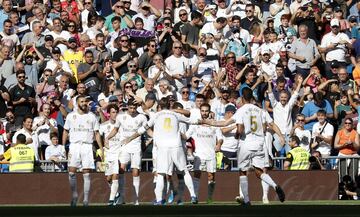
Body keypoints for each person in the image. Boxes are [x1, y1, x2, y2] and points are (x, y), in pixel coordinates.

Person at [130, 97, 199, 204]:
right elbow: (191, 120)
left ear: (160, 107)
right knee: (184, 171)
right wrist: (206, 121)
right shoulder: (175, 114)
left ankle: (159, 200)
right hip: (176, 146)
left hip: (162, 148)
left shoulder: (156, 115)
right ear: (170, 106)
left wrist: (129, 138)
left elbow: (143, 128)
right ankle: (193, 196)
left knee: (161, 174)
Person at [62, 95, 104, 207]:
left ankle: (85, 200)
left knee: (86, 173)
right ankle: (75, 196)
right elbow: (65, 131)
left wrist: (101, 148)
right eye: (82, 101)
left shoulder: (92, 116)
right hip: (74, 145)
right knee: (71, 172)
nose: (84, 103)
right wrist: (63, 146)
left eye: (85, 101)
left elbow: (97, 133)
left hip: (87, 146)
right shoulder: (71, 116)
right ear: (77, 103)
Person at [105, 99, 148, 205]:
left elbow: (147, 129)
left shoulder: (142, 117)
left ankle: (136, 199)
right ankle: (121, 197)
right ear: (127, 107)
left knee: (135, 171)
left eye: (134, 108)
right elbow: (115, 130)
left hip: (136, 147)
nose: (132, 110)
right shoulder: (121, 117)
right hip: (124, 146)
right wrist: (107, 137)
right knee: (120, 169)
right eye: (130, 108)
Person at [185, 103, 223, 204]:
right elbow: (186, 136)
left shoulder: (214, 124)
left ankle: (210, 198)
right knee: (197, 175)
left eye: (206, 111)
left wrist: (219, 144)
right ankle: (195, 198)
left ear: (209, 112)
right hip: (199, 155)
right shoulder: (195, 124)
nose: (204, 113)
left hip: (211, 154)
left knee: (211, 177)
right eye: (203, 111)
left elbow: (220, 138)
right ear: (200, 111)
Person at [99, 104, 122, 206]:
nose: (115, 114)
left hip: (118, 153)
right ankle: (116, 194)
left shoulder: (122, 125)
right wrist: (101, 149)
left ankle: (111, 200)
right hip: (108, 153)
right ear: (108, 114)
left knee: (115, 175)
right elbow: (97, 136)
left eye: (116, 112)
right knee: (108, 178)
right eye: (113, 112)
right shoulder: (104, 126)